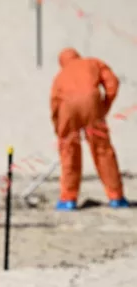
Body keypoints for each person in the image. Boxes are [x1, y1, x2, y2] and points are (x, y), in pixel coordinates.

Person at [50, 48, 128, 210]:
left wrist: (59, 129)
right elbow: (112, 83)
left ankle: (68, 199)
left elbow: (55, 104)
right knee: (102, 150)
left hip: (67, 108)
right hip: (91, 104)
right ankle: (116, 197)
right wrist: (104, 106)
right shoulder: (93, 63)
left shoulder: (60, 76)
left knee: (69, 152)